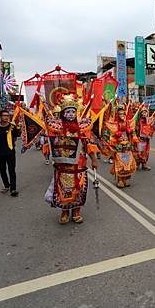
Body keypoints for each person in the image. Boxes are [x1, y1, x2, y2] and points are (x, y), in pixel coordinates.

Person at [44, 94, 98, 224]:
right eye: (67, 111)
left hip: (79, 165)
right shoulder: (57, 128)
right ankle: (64, 212)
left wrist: (94, 159)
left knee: (78, 189)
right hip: (63, 167)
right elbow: (51, 144)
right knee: (64, 189)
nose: (70, 114)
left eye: (73, 111)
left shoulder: (83, 128)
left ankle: (76, 211)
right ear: (63, 113)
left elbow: (88, 145)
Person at [0, 110, 20, 197]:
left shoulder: (12, 127)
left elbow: (15, 137)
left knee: (12, 170)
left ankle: (13, 189)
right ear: (0, 117)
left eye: (7, 115)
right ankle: (6, 185)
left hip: (10, 152)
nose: (6, 117)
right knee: (2, 170)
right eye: (4, 115)